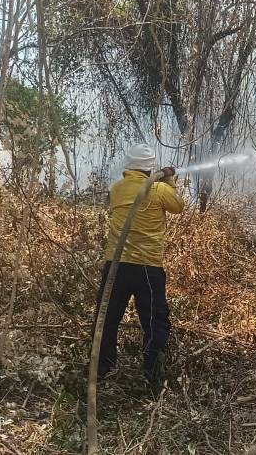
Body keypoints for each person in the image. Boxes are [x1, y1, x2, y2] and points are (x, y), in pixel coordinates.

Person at [94, 143, 185, 385]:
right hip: (147, 266)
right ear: (150, 167)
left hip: (116, 265)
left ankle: (103, 370)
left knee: (107, 319)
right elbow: (179, 207)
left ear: (128, 165)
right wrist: (171, 180)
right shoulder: (158, 190)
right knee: (155, 322)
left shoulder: (117, 189)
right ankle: (152, 375)